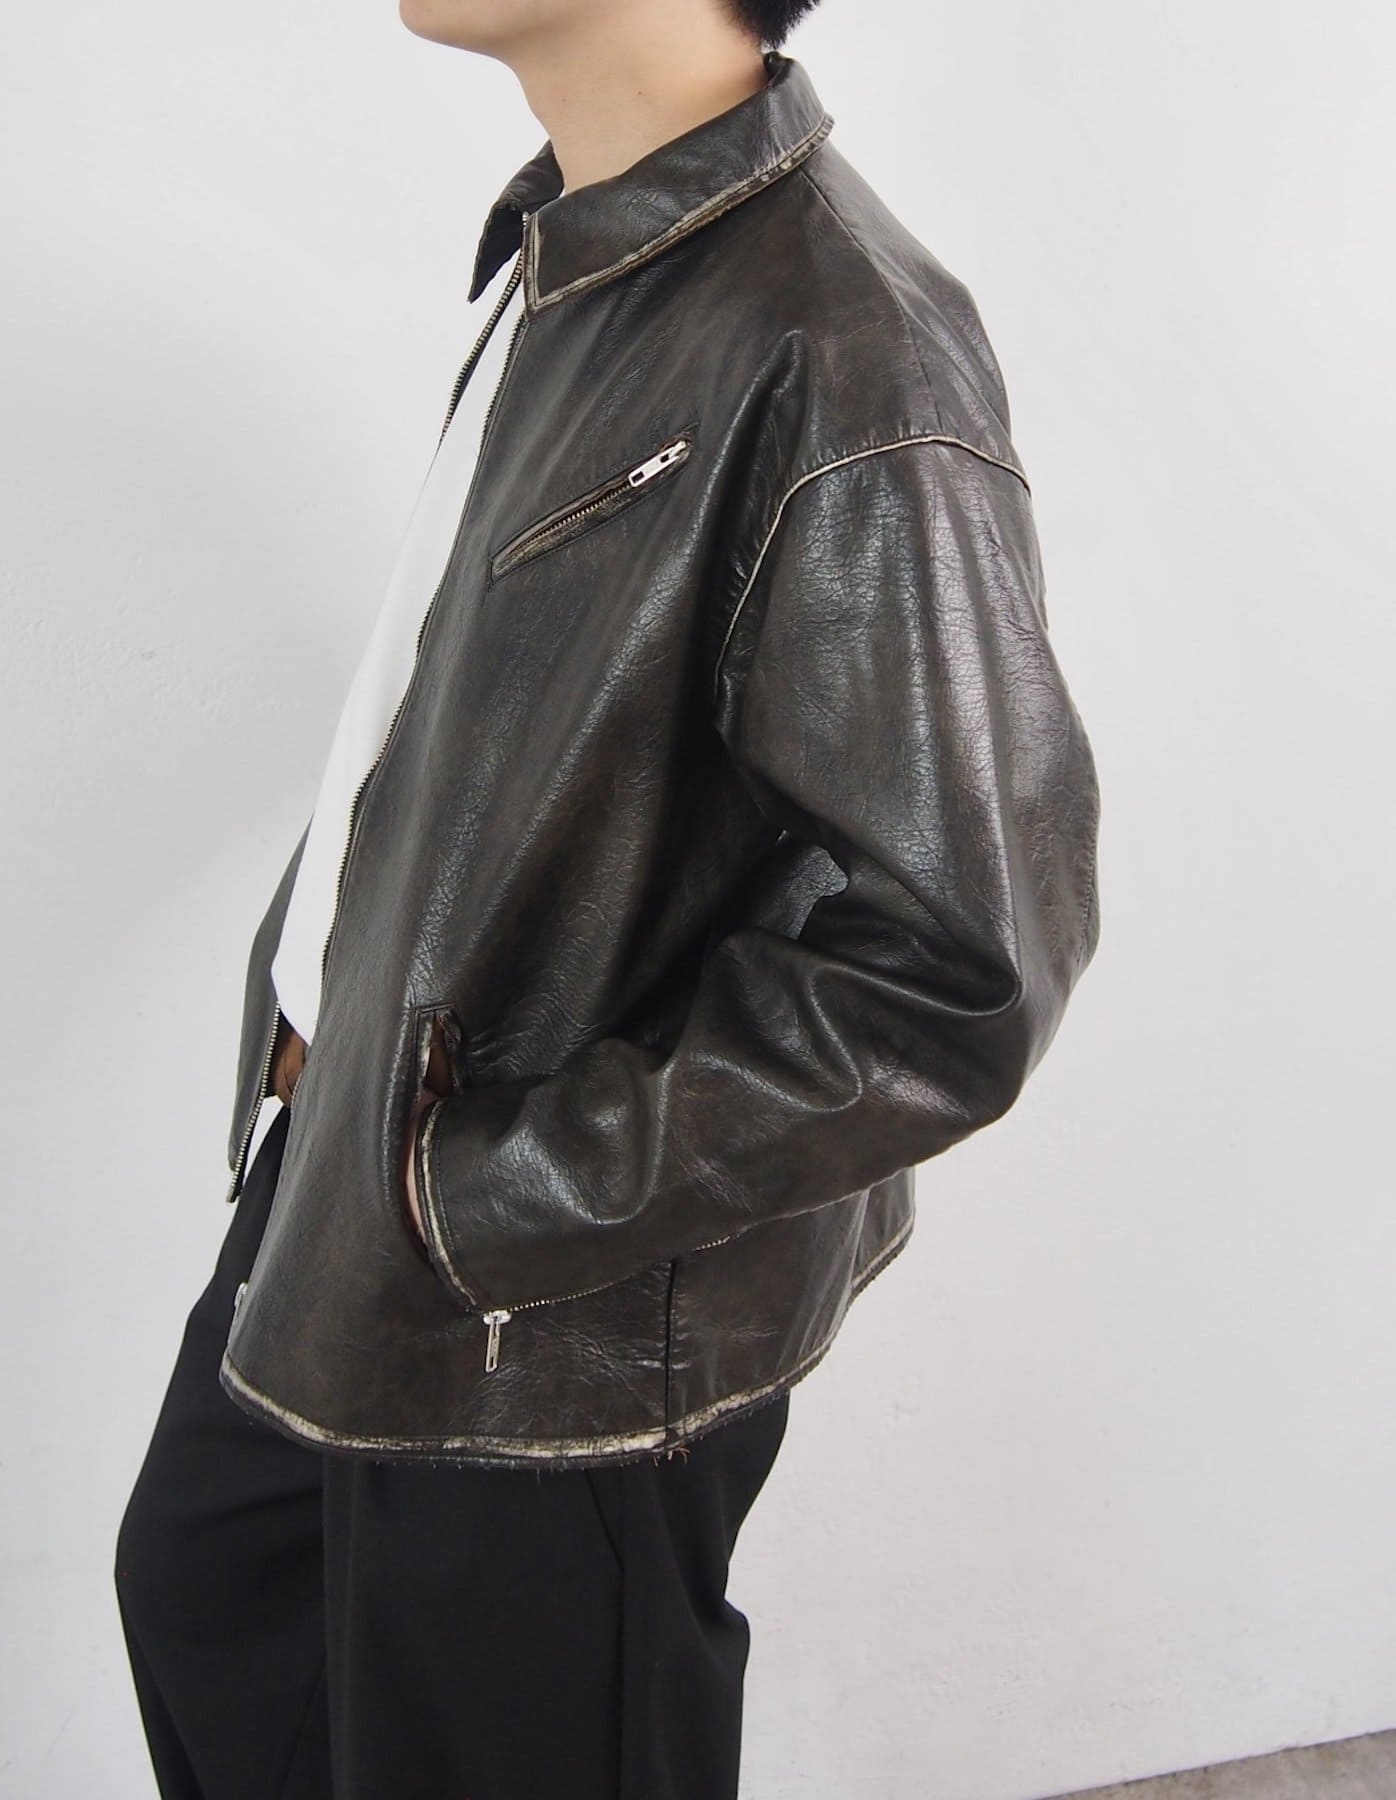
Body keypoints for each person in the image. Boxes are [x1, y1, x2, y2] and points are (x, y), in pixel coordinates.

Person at [115, 0, 1102, 1794]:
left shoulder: (844, 340)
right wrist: (323, 1048)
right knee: (213, 1602)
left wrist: (489, 1196)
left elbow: (960, 968)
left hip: (545, 1300)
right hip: (354, 1178)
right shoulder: (577, 255)